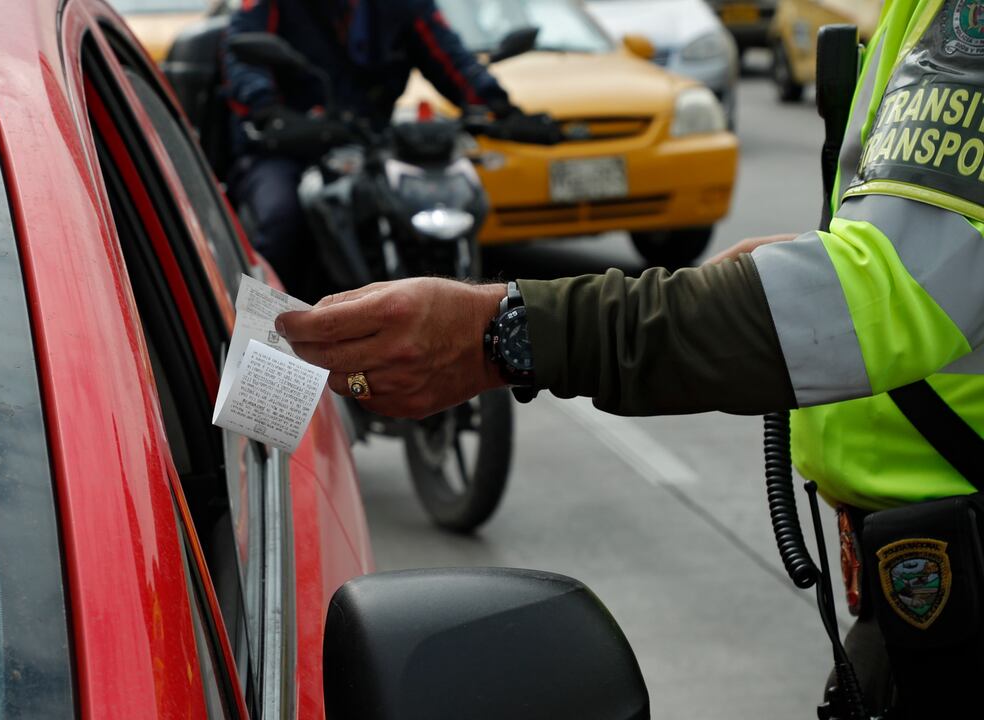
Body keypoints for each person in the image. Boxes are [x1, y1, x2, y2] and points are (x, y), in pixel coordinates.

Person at [274, 0, 984, 716]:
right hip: (919, 589)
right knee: (276, 211)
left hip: (958, 583)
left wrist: (503, 333)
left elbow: (879, 294)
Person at [224, 0, 514, 298]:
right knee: (281, 217)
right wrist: (266, 110)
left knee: (418, 200)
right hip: (285, 145)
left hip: (366, 145)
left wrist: (500, 106)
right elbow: (243, 58)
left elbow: (449, 55)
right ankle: (261, 326)